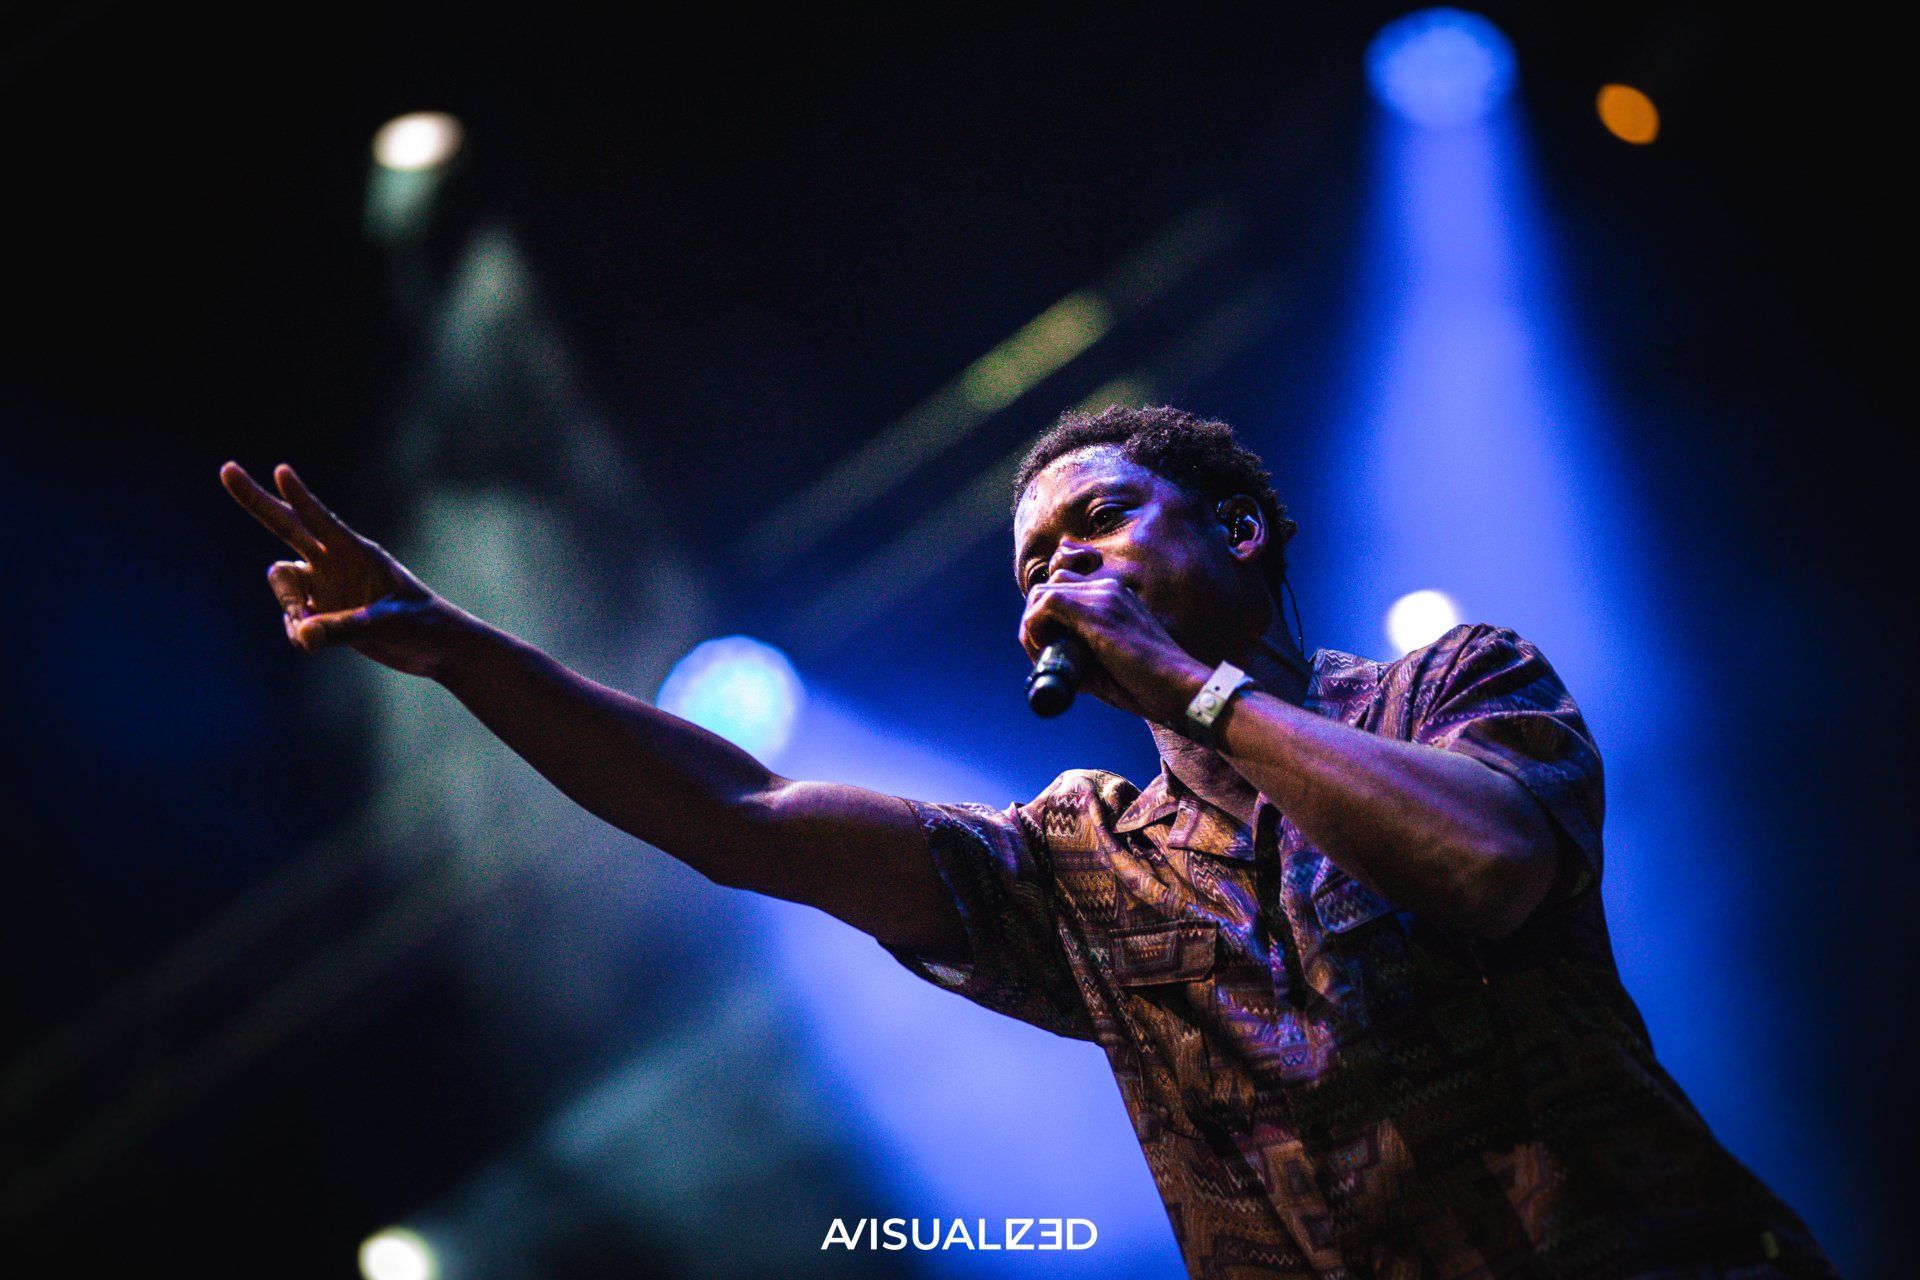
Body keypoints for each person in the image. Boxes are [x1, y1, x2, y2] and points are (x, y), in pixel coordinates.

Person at [220, 405, 1838, 1279]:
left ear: (1240, 532)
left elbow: (1490, 868)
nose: (1059, 574)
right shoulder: (1076, 864)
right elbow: (736, 816)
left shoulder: (1448, 688)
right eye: (1034, 564)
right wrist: (464, 655)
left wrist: (1197, 691)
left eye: (1099, 524)